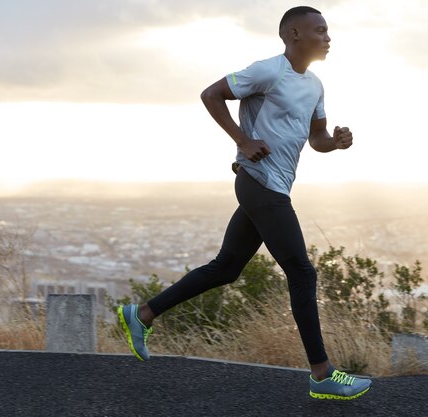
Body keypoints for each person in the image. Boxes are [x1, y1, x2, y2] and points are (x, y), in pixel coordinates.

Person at [117, 6, 372, 400]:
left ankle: (143, 314)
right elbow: (211, 94)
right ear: (293, 35)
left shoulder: (316, 85)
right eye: (319, 31)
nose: (327, 37)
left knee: (226, 268)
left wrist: (334, 143)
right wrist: (243, 141)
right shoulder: (268, 71)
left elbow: (316, 138)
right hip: (259, 183)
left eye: (328, 31)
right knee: (302, 273)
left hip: (273, 187)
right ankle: (322, 374)